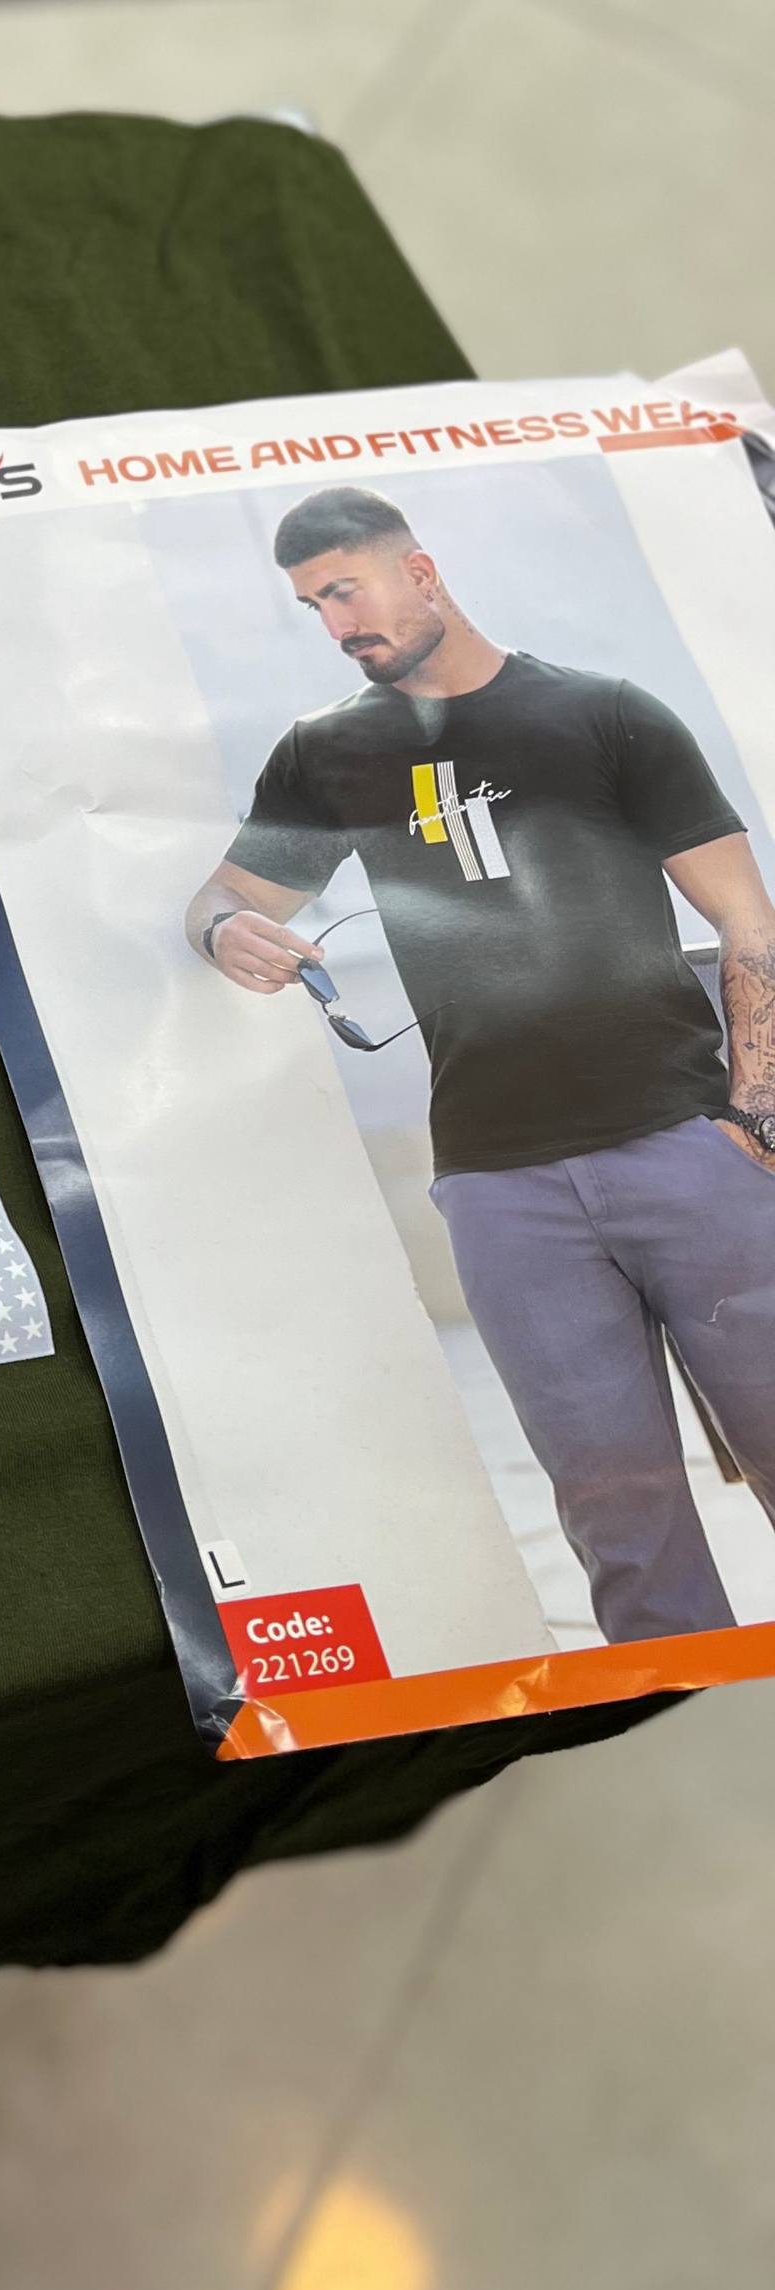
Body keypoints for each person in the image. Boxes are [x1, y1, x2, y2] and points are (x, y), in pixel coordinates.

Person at [183, 483, 775, 1643]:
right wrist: (222, 929)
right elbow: (223, 894)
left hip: (687, 1147)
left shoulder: (606, 716)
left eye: (345, 589)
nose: (336, 624)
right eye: (312, 606)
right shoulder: (325, 755)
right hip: (500, 1190)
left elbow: (747, 923)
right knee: (617, 1517)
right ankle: (684, 1703)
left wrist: (757, 1114)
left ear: (420, 571)